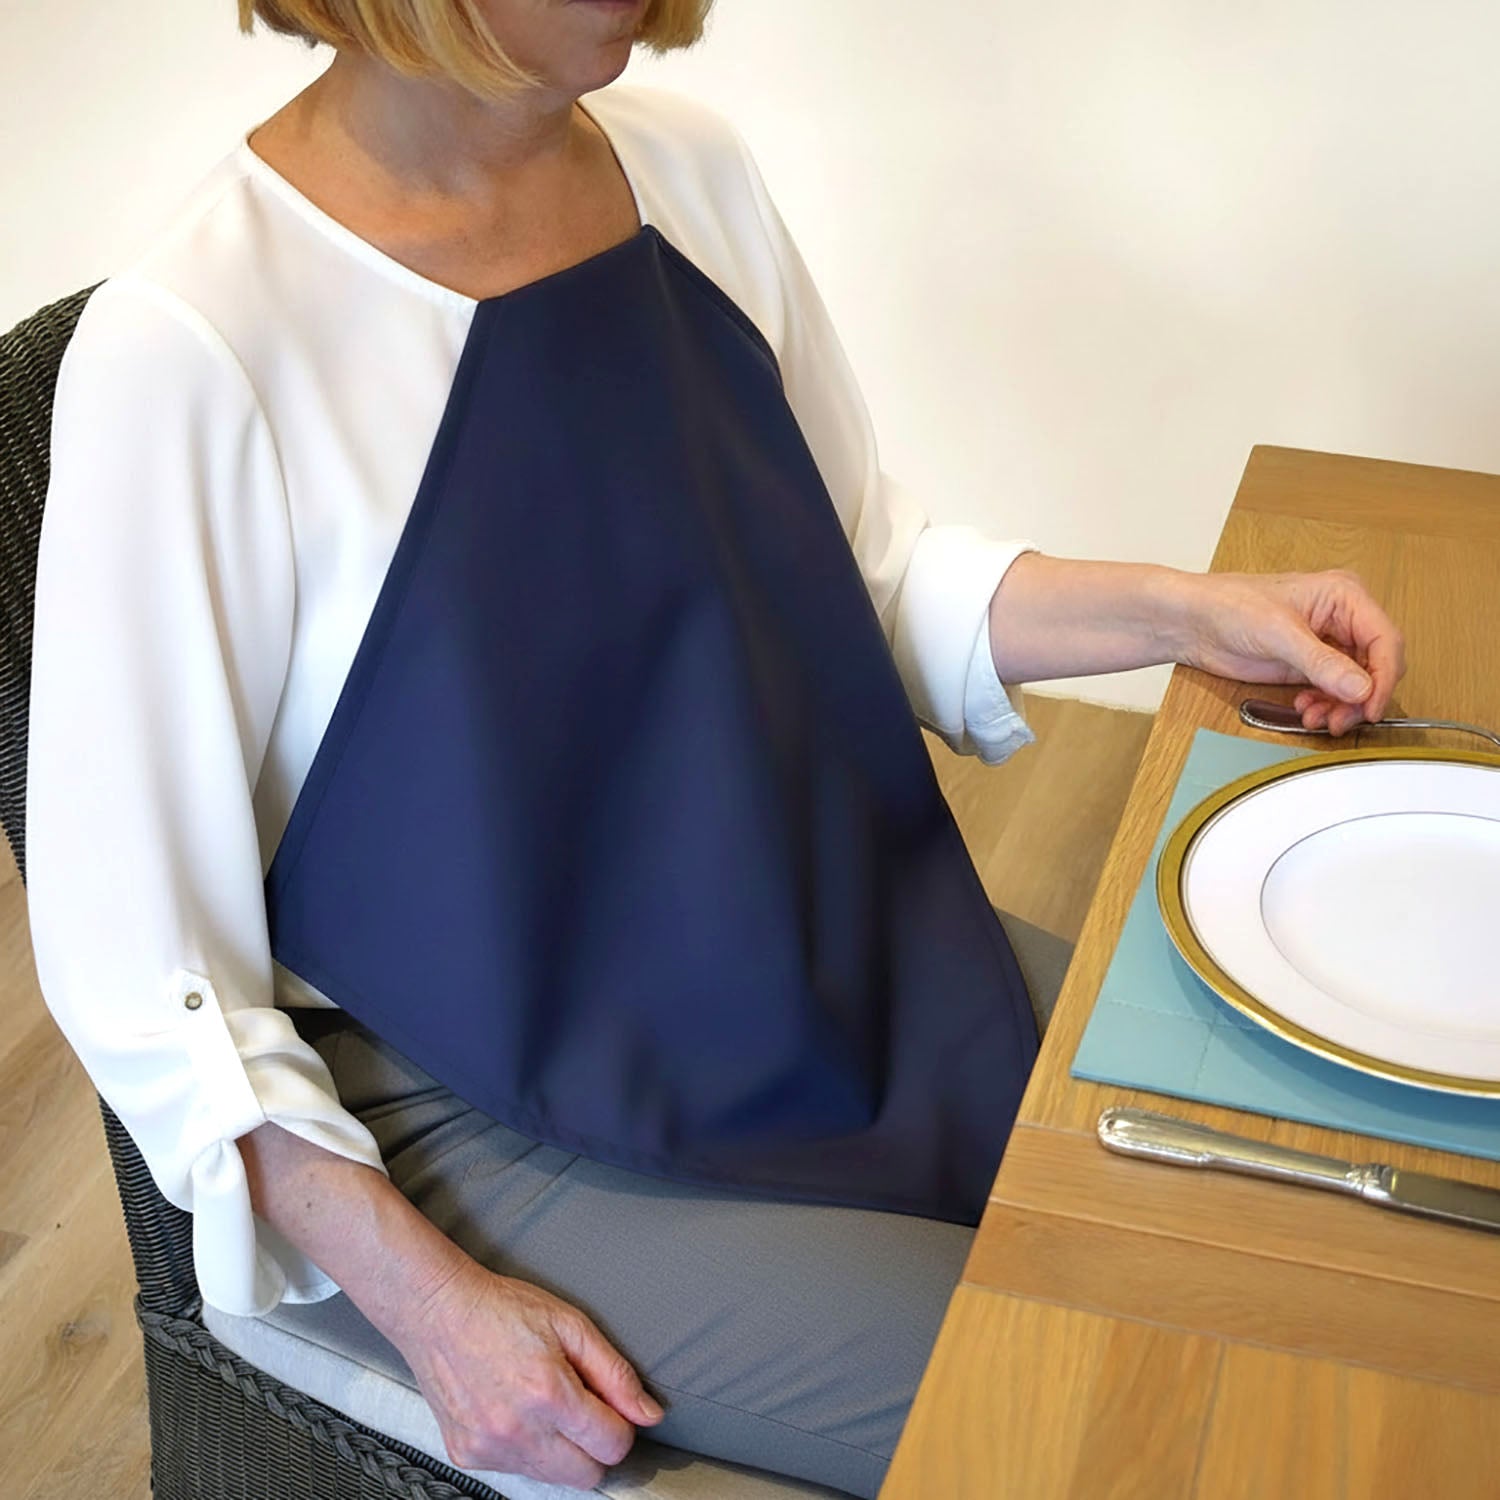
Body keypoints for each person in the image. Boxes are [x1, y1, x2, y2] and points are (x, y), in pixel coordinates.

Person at [25, 1, 1405, 1496]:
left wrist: (1188, 615)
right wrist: (429, 1304)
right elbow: (140, 974)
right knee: (1133, 1422)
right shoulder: (195, 347)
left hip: (825, 965)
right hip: (497, 1105)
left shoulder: (692, 176)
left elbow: (857, 578)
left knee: (1317, 1212)